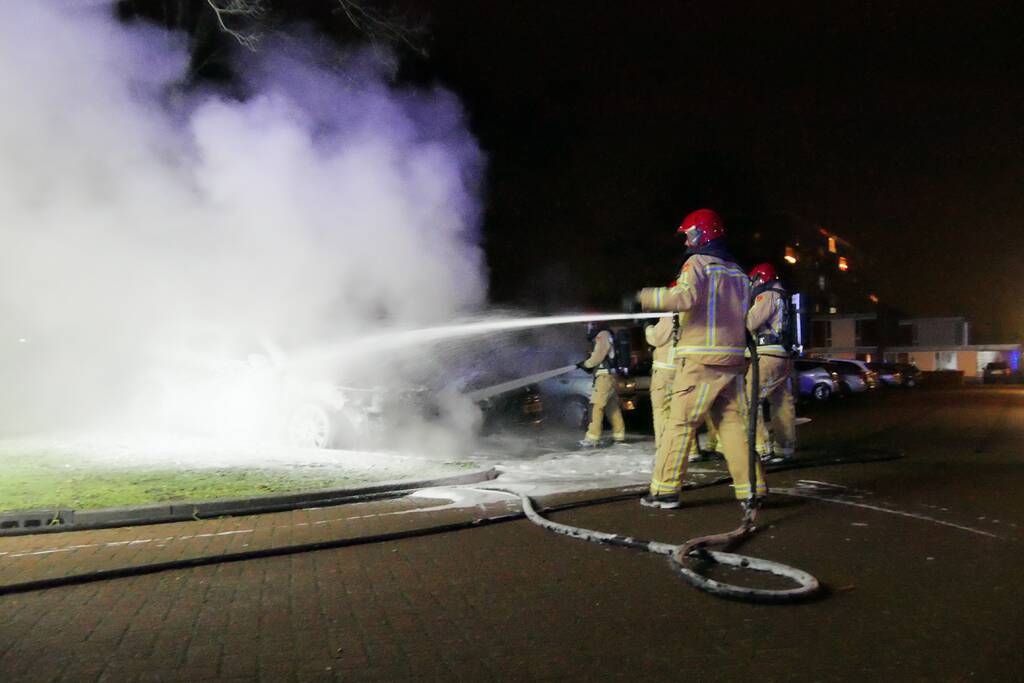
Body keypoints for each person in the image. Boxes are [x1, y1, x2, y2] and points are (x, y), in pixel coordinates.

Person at [636, 209, 765, 509]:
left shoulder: (697, 264)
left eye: (690, 235)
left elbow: (684, 297)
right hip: (732, 361)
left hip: (699, 362)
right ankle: (752, 490)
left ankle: (665, 489)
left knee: (679, 424)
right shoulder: (738, 272)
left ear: (704, 234)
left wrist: (643, 298)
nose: (687, 242)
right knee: (733, 426)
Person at [746, 263, 797, 462]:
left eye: (754, 280)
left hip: (767, 356)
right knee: (782, 402)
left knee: (750, 399)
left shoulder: (766, 296)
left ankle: (761, 447)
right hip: (783, 356)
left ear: (762, 277)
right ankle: (785, 447)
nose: (753, 284)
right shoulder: (783, 297)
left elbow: (750, 322)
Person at [576, 322, 626, 447]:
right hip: (609, 377)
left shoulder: (602, 335)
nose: (588, 330)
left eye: (589, 326)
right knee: (612, 408)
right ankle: (619, 436)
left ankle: (592, 437)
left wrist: (586, 364)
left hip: (604, 377)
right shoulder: (606, 334)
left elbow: (598, 356)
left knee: (596, 406)